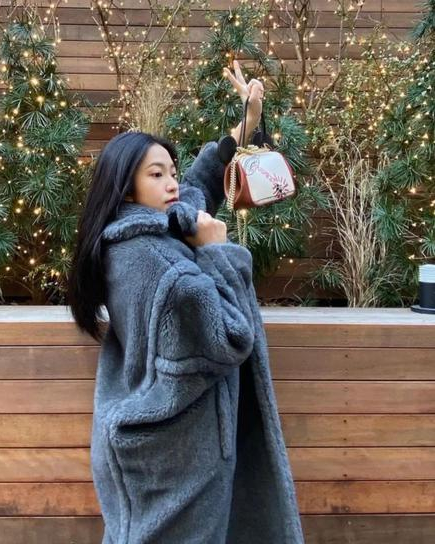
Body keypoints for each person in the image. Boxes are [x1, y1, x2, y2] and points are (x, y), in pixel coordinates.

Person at [66, 60, 304, 543]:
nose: (172, 184)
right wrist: (217, 251)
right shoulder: (164, 267)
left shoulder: (132, 237)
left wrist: (245, 126)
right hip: (178, 452)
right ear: (126, 186)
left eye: (170, 171)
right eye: (157, 174)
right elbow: (230, 337)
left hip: (155, 438)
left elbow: (198, 185)